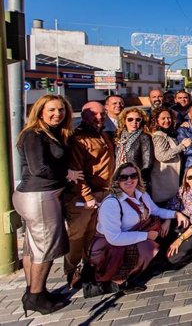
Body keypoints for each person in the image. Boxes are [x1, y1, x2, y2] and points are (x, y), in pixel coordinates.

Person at [13, 95, 80, 315]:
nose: (57, 114)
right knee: (46, 248)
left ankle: (35, 291)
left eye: (61, 110)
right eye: (51, 110)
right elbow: (38, 168)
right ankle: (36, 297)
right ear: (40, 111)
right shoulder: (34, 134)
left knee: (33, 247)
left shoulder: (49, 133)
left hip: (41, 196)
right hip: (39, 196)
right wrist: (67, 173)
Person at [90, 163, 189, 292]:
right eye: (124, 177)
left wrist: (176, 214)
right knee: (147, 246)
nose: (129, 180)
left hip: (133, 234)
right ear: (116, 180)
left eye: (133, 176)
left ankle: (149, 265)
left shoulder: (140, 194)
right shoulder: (111, 203)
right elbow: (114, 238)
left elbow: (156, 210)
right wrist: (146, 236)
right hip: (109, 247)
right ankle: (123, 280)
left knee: (167, 230)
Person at [65, 101, 115, 288]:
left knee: (94, 235)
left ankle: (89, 269)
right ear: (84, 116)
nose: (100, 118)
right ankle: (71, 271)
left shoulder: (102, 134)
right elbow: (77, 171)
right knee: (77, 236)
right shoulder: (79, 139)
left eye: (102, 114)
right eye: (95, 115)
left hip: (103, 193)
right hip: (83, 198)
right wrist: (87, 196)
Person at [149, 108, 192, 205]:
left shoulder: (169, 133)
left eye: (169, 118)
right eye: (163, 118)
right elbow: (161, 156)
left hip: (170, 178)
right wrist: (182, 146)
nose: (167, 121)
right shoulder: (159, 136)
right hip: (163, 180)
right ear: (156, 120)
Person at [115, 107, 154, 184]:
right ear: (124, 121)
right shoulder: (119, 137)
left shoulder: (144, 137)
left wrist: (139, 180)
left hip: (135, 179)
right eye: (130, 119)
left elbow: (147, 163)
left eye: (138, 119)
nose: (134, 122)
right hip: (119, 177)